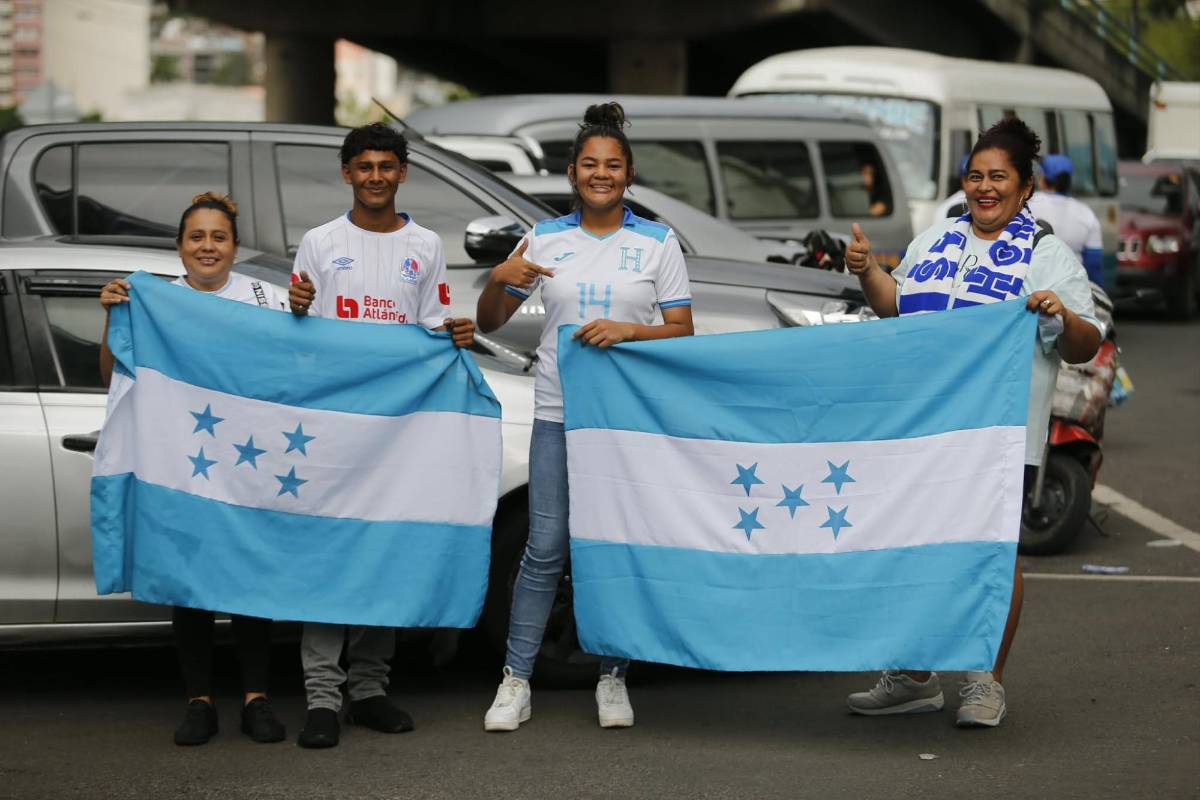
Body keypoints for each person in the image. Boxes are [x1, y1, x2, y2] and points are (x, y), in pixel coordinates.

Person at [842, 117, 1103, 728]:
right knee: (912, 548)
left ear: (1025, 187)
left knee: (989, 553)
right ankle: (913, 678)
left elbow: (1084, 345)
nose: (985, 187)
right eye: (976, 176)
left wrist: (1061, 314)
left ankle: (985, 680)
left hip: (998, 435)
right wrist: (866, 269)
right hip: (922, 428)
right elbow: (894, 306)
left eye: (999, 177)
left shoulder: (1046, 255)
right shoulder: (935, 241)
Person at [475, 102, 694, 732]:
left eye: (613, 165)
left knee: (611, 545)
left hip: (622, 421)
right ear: (572, 173)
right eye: (590, 165)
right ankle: (516, 679)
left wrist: (628, 330)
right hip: (556, 412)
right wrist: (499, 278)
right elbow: (490, 320)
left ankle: (613, 675)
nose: (602, 174)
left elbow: (682, 330)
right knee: (544, 548)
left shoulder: (656, 243)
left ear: (629, 174)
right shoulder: (545, 238)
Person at [287, 122, 475, 749]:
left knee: (382, 554)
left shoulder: (426, 244)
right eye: (363, 166)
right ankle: (321, 697)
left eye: (385, 166)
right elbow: (301, 337)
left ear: (402, 173)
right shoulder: (319, 242)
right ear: (347, 173)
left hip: (397, 431)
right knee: (332, 556)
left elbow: (431, 333)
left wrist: (456, 334)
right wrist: (295, 309)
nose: (375, 177)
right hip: (334, 426)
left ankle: (368, 690)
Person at [98, 192, 289, 746]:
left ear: (235, 246)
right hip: (183, 462)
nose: (208, 247)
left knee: (249, 579)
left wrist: (303, 312)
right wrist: (113, 317)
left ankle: (256, 699)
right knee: (191, 585)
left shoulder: (264, 298)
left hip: (249, 459)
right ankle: (199, 702)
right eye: (197, 237)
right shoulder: (155, 299)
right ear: (179, 247)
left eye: (219, 237)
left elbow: (297, 365)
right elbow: (112, 374)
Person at [1026, 154, 1105, 285]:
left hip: (1029, 287)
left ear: (1042, 178)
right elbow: (1094, 265)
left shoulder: (1026, 205)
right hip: (1072, 289)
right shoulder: (1086, 213)